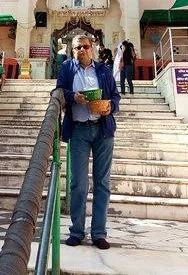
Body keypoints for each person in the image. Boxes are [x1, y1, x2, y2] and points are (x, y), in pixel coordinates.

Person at [56, 34, 120, 250]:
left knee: (102, 183)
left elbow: (115, 97)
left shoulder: (103, 70)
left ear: (92, 48)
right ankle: (76, 231)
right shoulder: (67, 68)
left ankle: (99, 233)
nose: (81, 50)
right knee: (78, 184)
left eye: (84, 46)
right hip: (79, 130)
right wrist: (74, 97)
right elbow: (59, 90)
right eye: (76, 48)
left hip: (103, 130)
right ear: (71, 51)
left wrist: (110, 106)